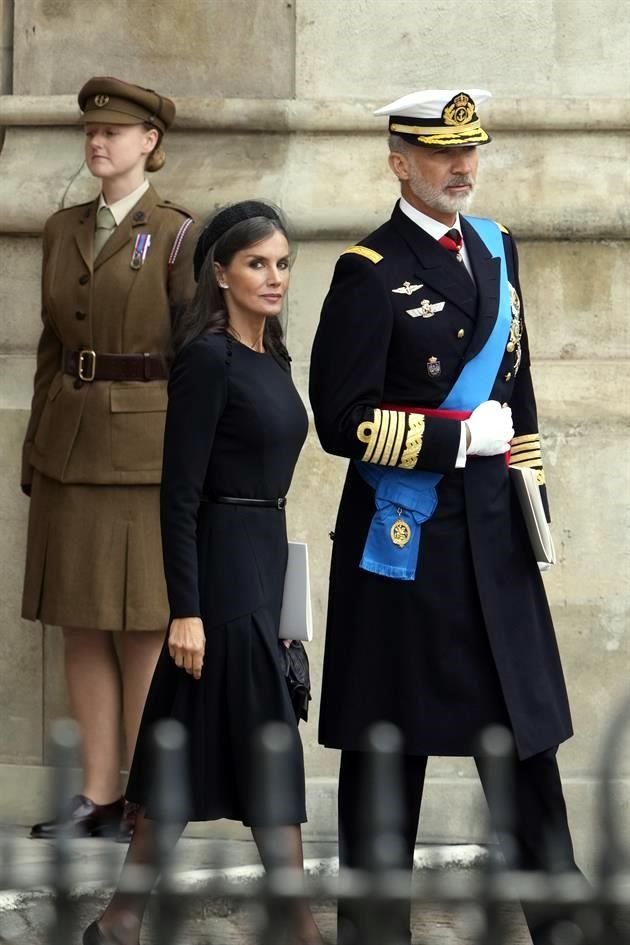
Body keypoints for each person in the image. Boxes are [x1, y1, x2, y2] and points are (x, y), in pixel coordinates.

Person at [309, 89, 581, 944]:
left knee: (527, 753)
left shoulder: (498, 250)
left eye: (470, 151)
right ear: (400, 162)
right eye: (440, 154)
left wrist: (533, 508)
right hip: (407, 551)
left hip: (494, 546)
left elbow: (520, 394)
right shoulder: (366, 270)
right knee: (389, 762)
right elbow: (340, 418)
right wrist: (453, 440)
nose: (461, 166)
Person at [82, 201, 324, 945]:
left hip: (261, 561)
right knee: (266, 746)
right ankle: (300, 928)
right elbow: (179, 494)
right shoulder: (208, 359)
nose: (274, 277)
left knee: (190, 746)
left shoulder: (271, 354)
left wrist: (286, 605)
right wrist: (183, 609)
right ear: (220, 273)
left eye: (282, 263)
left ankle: (121, 920)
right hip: (217, 582)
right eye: (257, 263)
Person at [21, 76, 198, 841]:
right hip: (69, 445)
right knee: (80, 623)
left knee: (142, 627)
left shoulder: (181, 233)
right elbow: (52, 347)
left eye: (116, 133)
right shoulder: (62, 229)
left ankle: (143, 797)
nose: (99, 144)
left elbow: (199, 358)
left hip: (146, 453)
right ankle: (94, 794)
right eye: (92, 134)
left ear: (149, 143)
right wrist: (35, 444)